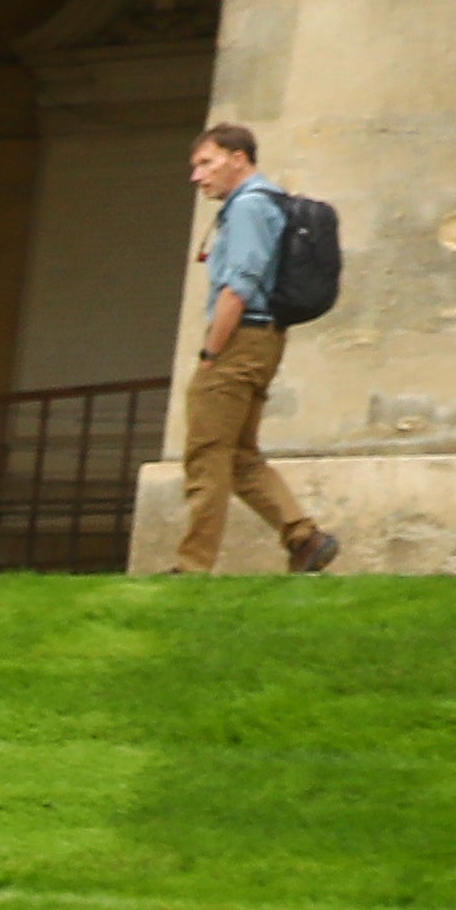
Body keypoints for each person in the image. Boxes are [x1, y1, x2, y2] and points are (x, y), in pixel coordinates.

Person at [181, 124, 341, 576]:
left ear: (239, 158)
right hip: (264, 339)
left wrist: (212, 353)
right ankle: (304, 538)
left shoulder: (250, 206)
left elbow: (239, 287)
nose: (197, 176)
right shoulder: (265, 202)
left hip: (240, 339)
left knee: (206, 453)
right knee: (240, 456)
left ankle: (192, 566)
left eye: (205, 163)